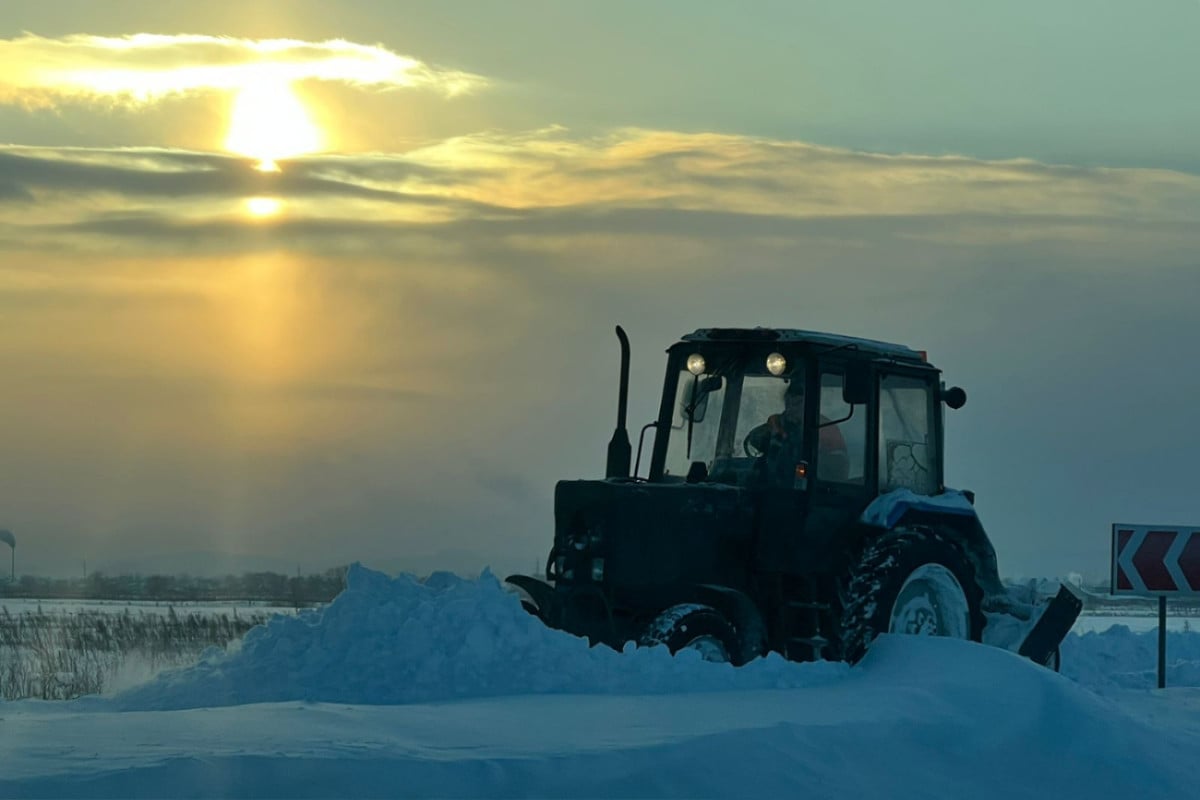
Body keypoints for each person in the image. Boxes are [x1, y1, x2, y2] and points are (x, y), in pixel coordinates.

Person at [745, 379, 849, 484]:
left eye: (796, 404)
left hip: (811, 488)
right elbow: (754, 440)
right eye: (788, 403)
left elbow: (837, 469)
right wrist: (765, 436)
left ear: (809, 404)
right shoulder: (777, 421)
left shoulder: (825, 429)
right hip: (776, 484)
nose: (790, 409)